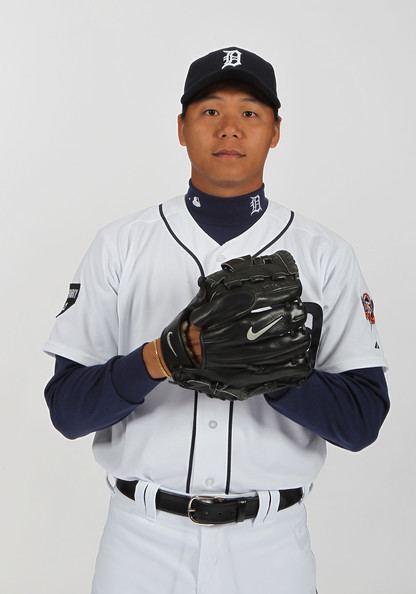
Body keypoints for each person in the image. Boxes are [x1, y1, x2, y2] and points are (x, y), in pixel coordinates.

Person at [43, 46, 390, 594]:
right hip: (141, 544)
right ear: (181, 129)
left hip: (272, 547)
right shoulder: (121, 246)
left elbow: (362, 422)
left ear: (275, 132)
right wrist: (158, 359)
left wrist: (278, 376)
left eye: (250, 112)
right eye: (210, 111)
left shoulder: (325, 254)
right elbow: (67, 410)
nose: (230, 128)